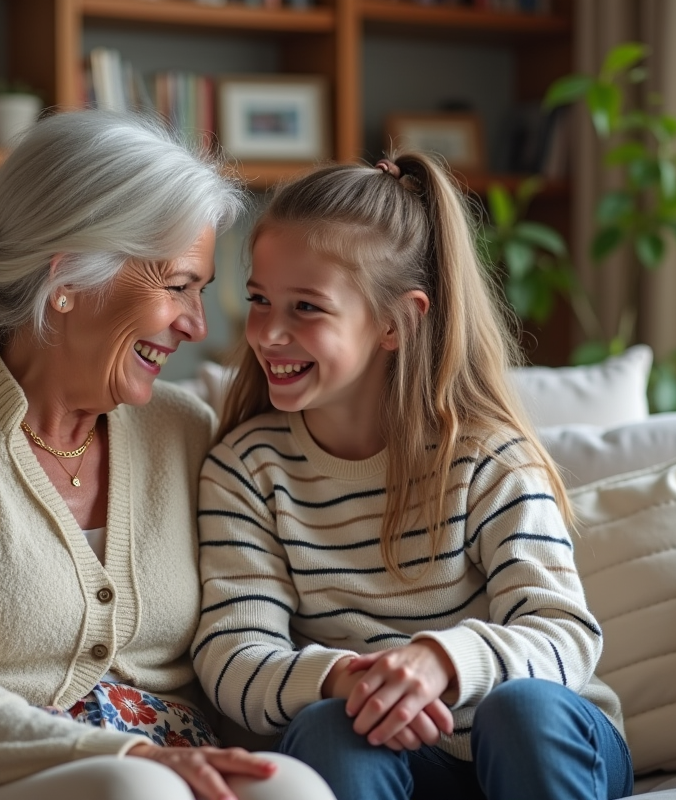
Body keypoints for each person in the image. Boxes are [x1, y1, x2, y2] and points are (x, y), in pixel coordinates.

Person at [0, 111, 334, 800]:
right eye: (177, 286)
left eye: (200, 292)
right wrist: (129, 755)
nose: (196, 325)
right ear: (69, 279)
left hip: (168, 767)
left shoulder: (187, 432)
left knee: (290, 786)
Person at [191, 153, 634, 800]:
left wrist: (441, 661)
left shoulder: (487, 458)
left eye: (306, 308)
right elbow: (233, 661)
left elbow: (564, 635)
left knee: (523, 711)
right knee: (329, 728)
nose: (268, 332)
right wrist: (348, 680)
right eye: (260, 299)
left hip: (542, 745)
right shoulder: (246, 471)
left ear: (397, 322)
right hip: (393, 755)